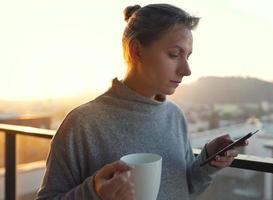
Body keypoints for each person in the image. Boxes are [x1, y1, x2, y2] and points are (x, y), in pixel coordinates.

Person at [36, 3, 248, 200]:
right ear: (136, 51)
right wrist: (95, 193)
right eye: (174, 54)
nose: (187, 70)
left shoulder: (174, 116)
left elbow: (183, 189)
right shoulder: (82, 123)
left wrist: (208, 160)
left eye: (188, 56)